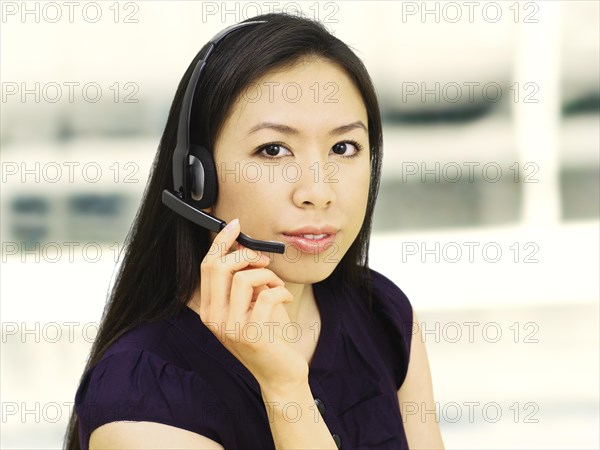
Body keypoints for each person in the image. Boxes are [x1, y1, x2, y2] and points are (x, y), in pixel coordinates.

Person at [64, 12, 444, 450]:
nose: (318, 191)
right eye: (273, 150)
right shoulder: (142, 399)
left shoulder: (381, 313)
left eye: (344, 147)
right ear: (196, 179)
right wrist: (285, 389)